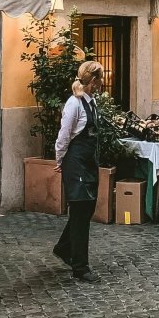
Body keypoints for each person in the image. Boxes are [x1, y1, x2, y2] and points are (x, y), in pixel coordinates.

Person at [53, 61, 105, 283]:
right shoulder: (74, 104)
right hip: (75, 163)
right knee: (81, 210)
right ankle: (80, 267)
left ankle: (65, 248)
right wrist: (59, 159)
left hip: (88, 161)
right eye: (100, 79)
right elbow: (64, 135)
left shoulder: (90, 102)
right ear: (93, 81)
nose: (102, 83)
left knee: (85, 210)